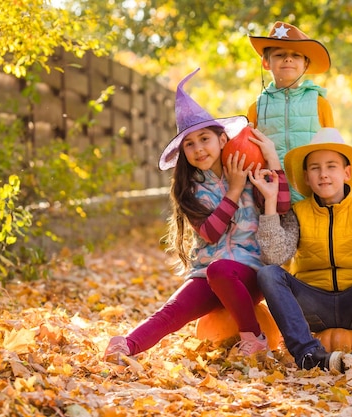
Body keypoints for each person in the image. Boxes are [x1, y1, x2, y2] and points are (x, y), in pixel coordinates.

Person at [103, 68, 290, 364]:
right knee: (172, 311)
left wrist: (272, 162)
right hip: (208, 275)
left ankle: (253, 338)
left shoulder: (246, 169)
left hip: (249, 275)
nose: (198, 148)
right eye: (189, 144)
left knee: (220, 270)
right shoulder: (190, 190)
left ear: (221, 139)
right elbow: (210, 234)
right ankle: (127, 345)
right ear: (183, 152)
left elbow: (280, 205)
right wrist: (233, 192)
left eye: (204, 139)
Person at [251, 127, 352, 372]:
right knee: (268, 273)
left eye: (331, 166)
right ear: (306, 177)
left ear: (347, 173)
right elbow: (274, 257)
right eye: (315, 168)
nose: (323, 174)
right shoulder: (299, 212)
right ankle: (307, 354)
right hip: (314, 305)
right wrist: (271, 203)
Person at [248, 21, 334, 203]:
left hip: (313, 196)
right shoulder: (257, 107)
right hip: (273, 197)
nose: (288, 59)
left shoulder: (319, 103)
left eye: (296, 55)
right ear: (266, 62)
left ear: (306, 64)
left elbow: (332, 148)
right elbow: (250, 152)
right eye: (280, 54)